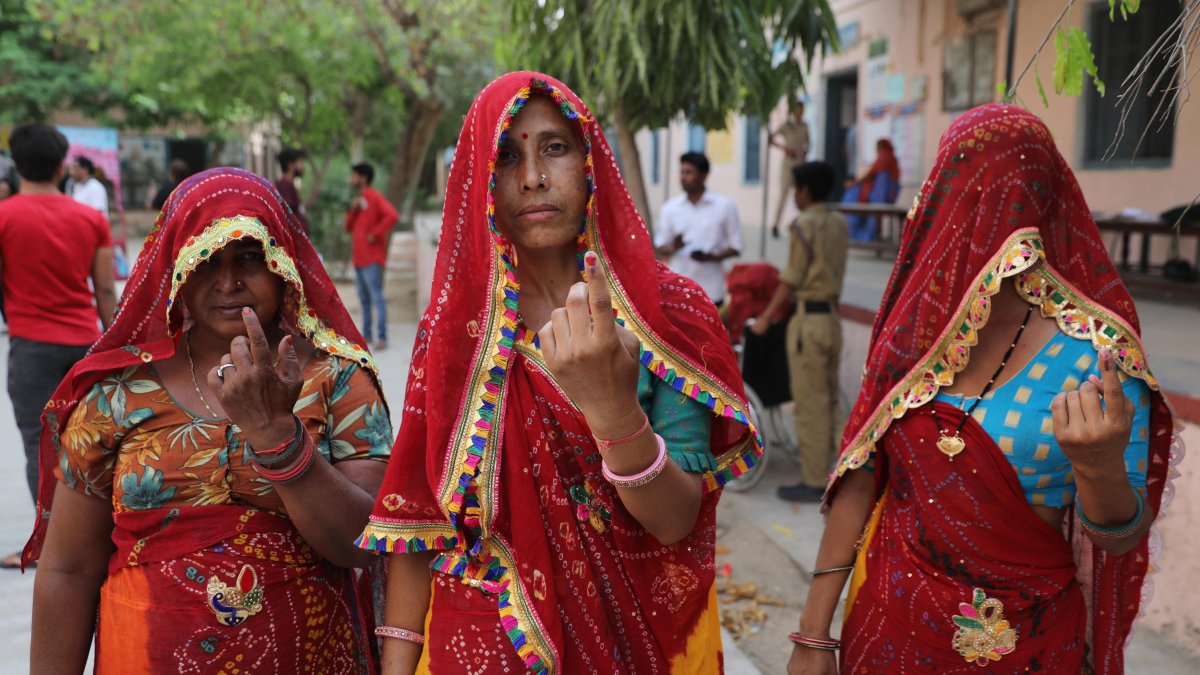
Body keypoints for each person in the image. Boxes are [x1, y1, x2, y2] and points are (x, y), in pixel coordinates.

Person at [356, 72, 761, 674]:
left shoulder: (666, 316)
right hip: (478, 644)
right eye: (507, 156)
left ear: (590, 160)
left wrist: (614, 410)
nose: (533, 178)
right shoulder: (455, 335)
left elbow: (676, 522)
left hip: (632, 642)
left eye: (554, 147)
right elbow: (422, 525)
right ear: (480, 181)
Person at [788, 105, 1177, 675]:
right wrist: (814, 634)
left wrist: (1098, 468)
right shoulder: (914, 333)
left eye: (1006, 193)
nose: (989, 214)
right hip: (889, 628)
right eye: (969, 188)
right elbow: (862, 477)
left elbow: (1120, 540)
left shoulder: (1095, 353)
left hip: (1026, 643)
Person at [25, 168, 392, 672]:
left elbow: (363, 546)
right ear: (175, 267)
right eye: (205, 260)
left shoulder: (337, 377)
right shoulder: (117, 393)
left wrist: (277, 437)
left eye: (249, 258)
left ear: (283, 264)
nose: (228, 282)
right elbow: (68, 569)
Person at [0, 124, 116, 569]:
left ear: (16, 163)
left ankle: (49, 544)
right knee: (93, 442)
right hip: (85, 346)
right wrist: (114, 347)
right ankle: (101, 537)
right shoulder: (90, 219)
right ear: (62, 163)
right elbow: (105, 291)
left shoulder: (6, 216)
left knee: (39, 445)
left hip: (31, 348)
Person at [751, 161, 848, 503]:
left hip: (808, 321)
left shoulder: (803, 224)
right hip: (832, 320)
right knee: (831, 396)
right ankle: (845, 467)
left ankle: (813, 480)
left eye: (796, 189)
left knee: (810, 404)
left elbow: (791, 279)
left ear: (804, 191)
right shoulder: (839, 223)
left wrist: (764, 317)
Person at [654, 151, 744, 307]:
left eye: (689, 172)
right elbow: (660, 246)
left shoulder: (725, 206)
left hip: (711, 290)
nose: (683, 177)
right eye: (682, 172)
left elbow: (737, 246)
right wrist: (675, 246)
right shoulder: (670, 208)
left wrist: (713, 256)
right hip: (678, 289)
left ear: (704, 175)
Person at [345, 162, 397, 351]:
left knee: (377, 298)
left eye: (354, 175)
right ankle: (367, 335)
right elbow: (347, 227)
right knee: (364, 299)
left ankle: (382, 336)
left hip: (372, 259)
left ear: (363, 177)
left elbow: (392, 215)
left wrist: (375, 233)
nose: (351, 179)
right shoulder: (359, 199)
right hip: (358, 259)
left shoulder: (375, 197)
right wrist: (354, 210)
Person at [844, 138, 900, 242]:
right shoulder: (891, 158)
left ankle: (861, 233)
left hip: (880, 197)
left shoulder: (884, 157)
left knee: (852, 194)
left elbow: (870, 175)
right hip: (884, 196)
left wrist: (854, 183)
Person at [770, 102, 811, 238]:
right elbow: (771, 138)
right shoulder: (787, 124)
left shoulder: (805, 126)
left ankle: (802, 224)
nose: (800, 113)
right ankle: (776, 225)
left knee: (802, 193)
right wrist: (784, 148)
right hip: (788, 163)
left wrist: (805, 151)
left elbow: (808, 143)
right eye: (798, 110)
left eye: (802, 110)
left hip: (800, 163)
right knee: (784, 194)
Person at [274, 147, 311, 235]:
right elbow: (288, 219)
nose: (302, 166)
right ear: (290, 165)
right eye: (299, 162)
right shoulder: (285, 186)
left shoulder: (289, 185)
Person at [69, 155, 111, 223]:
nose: (72, 172)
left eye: (75, 168)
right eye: (72, 168)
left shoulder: (95, 187)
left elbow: (98, 215)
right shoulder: (77, 187)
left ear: (85, 170)